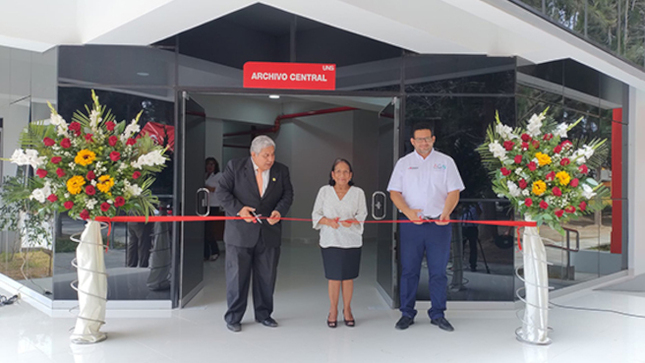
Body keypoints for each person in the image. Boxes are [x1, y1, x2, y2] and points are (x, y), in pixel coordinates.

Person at [387, 121, 465, 332]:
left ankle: (438, 314)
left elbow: (454, 191)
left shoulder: (446, 162)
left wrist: (446, 212)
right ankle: (407, 313)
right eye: (419, 139)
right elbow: (395, 192)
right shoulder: (403, 163)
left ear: (433, 139)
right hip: (411, 224)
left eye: (427, 138)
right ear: (412, 141)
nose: (423, 142)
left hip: (439, 224)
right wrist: (408, 212)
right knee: (409, 270)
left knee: (438, 272)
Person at [215, 135, 294, 333]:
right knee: (237, 277)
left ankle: (264, 314)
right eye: (266, 155)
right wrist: (239, 210)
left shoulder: (281, 170)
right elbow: (221, 192)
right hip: (240, 234)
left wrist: (279, 211)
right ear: (253, 154)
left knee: (267, 277)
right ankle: (233, 317)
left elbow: (288, 194)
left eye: (272, 154)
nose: (270, 159)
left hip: (269, 232)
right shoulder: (235, 166)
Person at [312, 158, 367, 328]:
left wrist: (354, 221)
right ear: (332, 174)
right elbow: (316, 213)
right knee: (334, 278)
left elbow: (362, 214)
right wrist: (328, 222)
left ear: (350, 175)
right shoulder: (324, 191)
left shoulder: (358, 192)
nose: (342, 175)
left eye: (345, 172)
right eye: (338, 171)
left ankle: (348, 309)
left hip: (351, 240)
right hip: (331, 240)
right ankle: (333, 310)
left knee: (348, 278)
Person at [204, 157, 223, 261]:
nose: (210, 166)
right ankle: (206, 253)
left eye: (212, 164)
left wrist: (208, 188)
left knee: (209, 230)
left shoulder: (219, 176)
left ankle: (215, 251)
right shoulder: (204, 176)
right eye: (208, 164)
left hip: (213, 205)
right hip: (203, 205)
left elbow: (220, 189)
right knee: (204, 230)